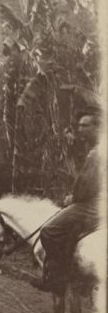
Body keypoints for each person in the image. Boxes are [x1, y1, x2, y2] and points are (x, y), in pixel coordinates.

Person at [33, 110, 101, 291]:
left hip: (93, 205)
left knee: (48, 231)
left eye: (85, 125)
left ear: (97, 127)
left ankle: (58, 278)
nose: (80, 129)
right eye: (79, 126)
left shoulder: (96, 153)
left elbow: (86, 186)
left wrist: (73, 198)